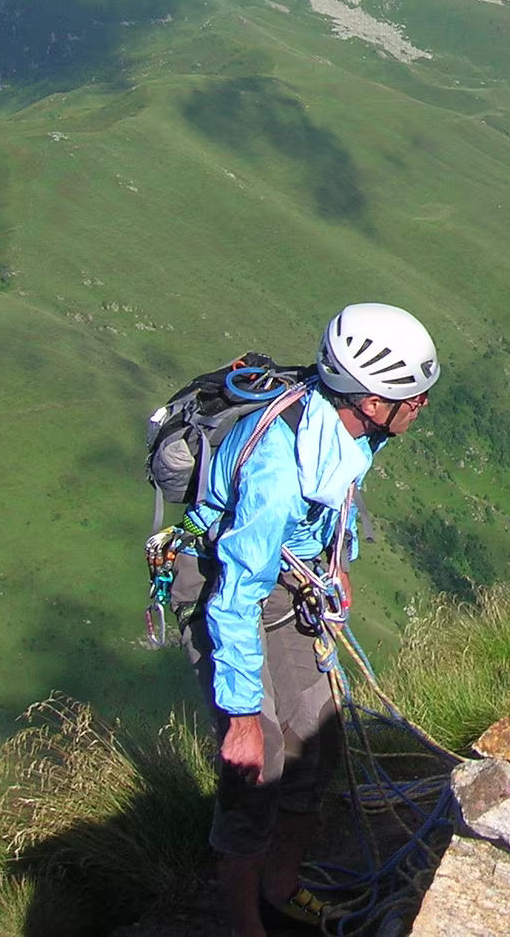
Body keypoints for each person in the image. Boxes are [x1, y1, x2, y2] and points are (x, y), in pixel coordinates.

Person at [178, 303, 440, 937]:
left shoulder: (353, 423)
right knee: (257, 765)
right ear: (371, 402)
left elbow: (338, 484)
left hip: (290, 577)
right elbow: (234, 596)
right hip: (228, 589)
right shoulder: (275, 469)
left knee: (317, 743)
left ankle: (281, 887)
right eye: (413, 398)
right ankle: (245, 924)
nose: (422, 406)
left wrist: (337, 559)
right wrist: (242, 718)